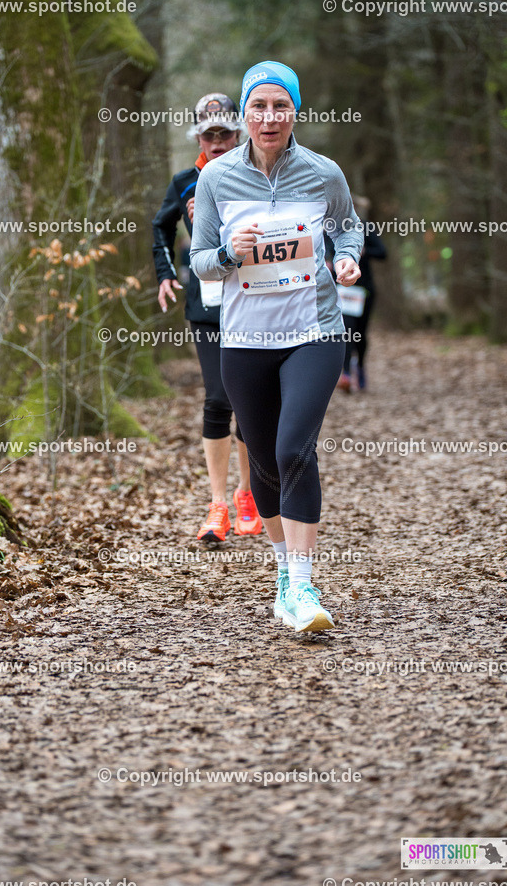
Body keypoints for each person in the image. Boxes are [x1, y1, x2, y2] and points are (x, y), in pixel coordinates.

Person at [190, 61, 363, 632]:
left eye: (279, 106)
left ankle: (306, 582)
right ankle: (284, 575)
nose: (269, 118)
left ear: (294, 112)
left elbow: (348, 224)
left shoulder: (322, 172)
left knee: (294, 449)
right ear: (244, 114)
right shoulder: (216, 178)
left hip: (313, 331)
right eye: (258, 107)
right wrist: (229, 253)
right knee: (262, 459)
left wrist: (345, 257)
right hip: (244, 337)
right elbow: (200, 260)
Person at [152, 93, 263, 544]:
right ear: (198, 136)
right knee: (218, 399)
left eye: (225, 133)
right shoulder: (184, 181)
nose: (217, 142)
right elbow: (160, 226)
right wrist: (164, 273)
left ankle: (247, 495)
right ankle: (218, 504)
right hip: (209, 304)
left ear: (237, 133)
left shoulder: (255, 174)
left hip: (256, 299)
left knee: (250, 403)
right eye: (208, 134)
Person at [334, 195, 387, 392]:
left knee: (361, 333)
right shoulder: (330, 228)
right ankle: (346, 372)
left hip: (364, 290)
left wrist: (364, 251)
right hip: (344, 290)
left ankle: (361, 366)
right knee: (348, 330)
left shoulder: (365, 227)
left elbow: (383, 252)